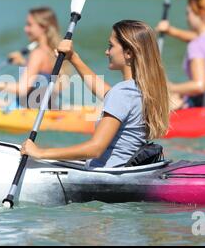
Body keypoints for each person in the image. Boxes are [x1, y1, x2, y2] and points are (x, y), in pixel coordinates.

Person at [20, 20, 170, 168]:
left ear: (129, 53)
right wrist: (73, 58)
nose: (106, 52)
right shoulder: (138, 90)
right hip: (120, 170)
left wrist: (40, 152)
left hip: (106, 176)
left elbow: (95, 148)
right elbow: (103, 91)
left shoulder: (122, 93)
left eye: (111, 46)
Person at [0, 7, 71, 110]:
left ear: (43, 27)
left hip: (23, 109)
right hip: (45, 107)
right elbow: (49, 81)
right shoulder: (55, 52)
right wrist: (24, 63)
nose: (26, 29)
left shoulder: (37, 54)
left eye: (29, 25)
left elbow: (22, 89)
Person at [156, 0, 205, 109]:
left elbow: (199, 86)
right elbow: (197, 38)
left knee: (168, 98)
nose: (187, 18)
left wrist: (169, 87)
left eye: (188, 13)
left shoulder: (196, 45)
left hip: (202, 103)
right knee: (177, 95)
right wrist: (170, 30)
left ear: (202, 14)